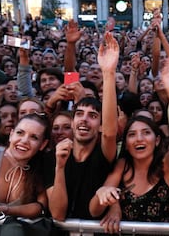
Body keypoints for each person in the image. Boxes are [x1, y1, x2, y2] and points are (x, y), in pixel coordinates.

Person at [89, 55, 169, 234]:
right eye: (132, 134)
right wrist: (102, 194)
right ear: (126, 143)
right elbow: (94, 210)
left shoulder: (167, 167)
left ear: (157, 140)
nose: (139, 139)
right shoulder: (123, 166)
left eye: (146, 133)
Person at [44, 31, 118, 221]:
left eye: (93, 115)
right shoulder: (53, 157)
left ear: (100, 125)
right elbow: (58, 215)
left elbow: (110, 133)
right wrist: (59, 167)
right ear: (72, 120)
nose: (84, 119)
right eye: (79, 114)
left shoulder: (103, 153)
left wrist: (109, 73)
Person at [0, 113, 50, 235]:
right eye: (20, 133)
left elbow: (40, 207)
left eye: (34, 137)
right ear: (11, 135)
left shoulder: (40, 169)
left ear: (42, 144)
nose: (24, 141)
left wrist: (9, 210)